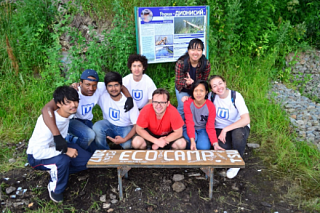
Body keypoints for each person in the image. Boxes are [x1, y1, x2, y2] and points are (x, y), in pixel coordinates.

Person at [27, 86, 92, 203]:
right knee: (63, 161)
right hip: (37, 157)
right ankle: (55, 189)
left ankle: (57, 170)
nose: (73, 105)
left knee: (87, 161)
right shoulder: (47, 124)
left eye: (75, 101)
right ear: (58, 104)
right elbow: (37, 153)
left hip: (57, 146)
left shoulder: (67, 114)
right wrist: (66, 151)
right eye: (68, 102)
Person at [42, 69, 133, 152]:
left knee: (94, 151)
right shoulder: (74, 91)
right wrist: (56, 135)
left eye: (94, 85)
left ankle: (77, 143)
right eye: (87, 85)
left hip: (87, 121)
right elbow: (46, 108)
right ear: (80, 83)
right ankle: (75, 147)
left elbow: (119, 85)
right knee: (89, 135)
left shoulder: (100, 87)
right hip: (72, 120)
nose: (91, 88)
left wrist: (129, 97)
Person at [208, 75, 250, 179]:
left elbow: (246, 119)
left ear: (225, 83)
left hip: (238, 127)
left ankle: (236, 163)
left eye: (220, 83)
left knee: (238, 135)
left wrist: (225, 129)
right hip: (219, 128)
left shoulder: (235, 96)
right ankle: (234, 147)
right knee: (222, 147)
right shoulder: (211, 97)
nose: (219, 87)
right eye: (214, 86)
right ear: (212, 89)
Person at [92, 72, 139, 150]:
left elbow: (136, 125)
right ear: (106, 87)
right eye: (110, 86)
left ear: (121, 86)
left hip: (125, 127)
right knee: (97, 127)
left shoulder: (129, 102)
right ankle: (104, 152)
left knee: (127, 146)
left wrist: (124, 139)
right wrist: (76, 85)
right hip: (109, 124)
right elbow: (87, 86)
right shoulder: (102, 95)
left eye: (116, 85)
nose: (113, 89)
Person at [175, 38, 211, 120]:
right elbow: (178, 81)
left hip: (197, 88)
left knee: (199, 105)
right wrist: (186, 82)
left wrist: (195, 88)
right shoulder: (181, 62)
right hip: (183, 89)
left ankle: (196, 125)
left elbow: (204, 81)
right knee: (182, 107)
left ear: (202, 52)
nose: (195, 53)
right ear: (188, 51)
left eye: (198, 50)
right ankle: (178, 126)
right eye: (193, 49)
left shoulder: (206, 64)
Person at [183, 80, 218, 150]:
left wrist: (215, 143)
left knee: (204, 147)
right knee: (192, 140)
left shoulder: (210, 106)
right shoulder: (188, 103)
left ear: (206, 92)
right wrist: (192, 140)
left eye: (201, 91)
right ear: (192, 92)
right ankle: (189, 146)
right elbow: (189, 122)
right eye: (196, 91)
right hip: (188, 127)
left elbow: (210, 126)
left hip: (202, 128)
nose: (198, 93)